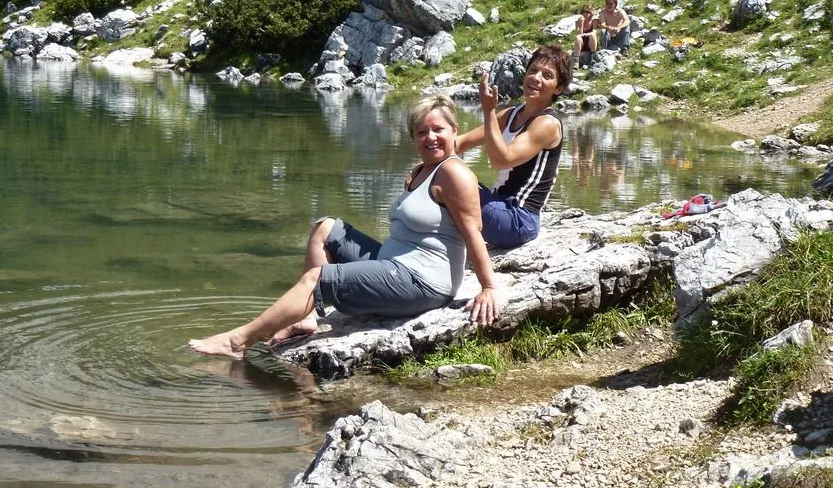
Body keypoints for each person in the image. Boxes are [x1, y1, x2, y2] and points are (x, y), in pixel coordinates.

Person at [188, 95, 501, 360]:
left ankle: (237, 342)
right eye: (421, 132)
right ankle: (307, 318)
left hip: (423, 283)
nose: (430, 137)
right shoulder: (423, 170)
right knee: (325, 228)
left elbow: (473, 231)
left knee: (317, 279)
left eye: (438, 130)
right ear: (413, 137)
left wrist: (488, 287)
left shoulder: (455, 174)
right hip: (394, 265)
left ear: (454, 131)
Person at [456, 44, 571, 249]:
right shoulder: (512, 114)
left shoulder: (547, 124)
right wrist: (425, 165)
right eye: (533, 70)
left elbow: (501, 160)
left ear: (558, 88)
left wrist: (489, 111)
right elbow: (460, 143)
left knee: (451, 181)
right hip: (499, 205)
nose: (536, 78)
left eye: (547, 75)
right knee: (442, 176)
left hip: (518, 219)